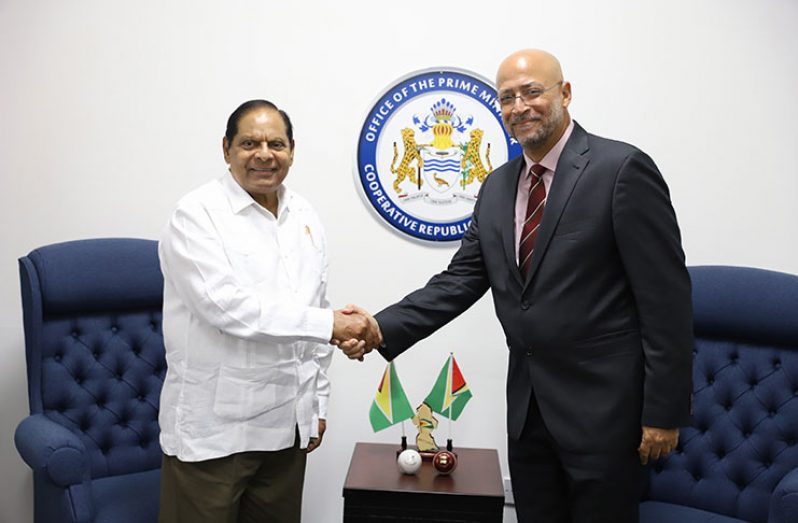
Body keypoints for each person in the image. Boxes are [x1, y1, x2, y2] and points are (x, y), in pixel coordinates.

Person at [340, 50, 694, 523]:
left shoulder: (621, 170)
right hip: (529, 414)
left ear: (564, 94)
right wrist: (379, 328)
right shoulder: (497, 186)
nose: (519, 106)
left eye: (532, 91)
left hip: (606, 416)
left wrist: (663, 412)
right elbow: (460, 280)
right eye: (507, 97)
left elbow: (666, 300)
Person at [157, 99, 372, 523]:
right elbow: (227, 308)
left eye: (276, 143)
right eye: (249, 143)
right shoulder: (196, 215)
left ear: (292, 150)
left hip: (285, 430)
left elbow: (314, 311)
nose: (264, 154)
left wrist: (316, 406)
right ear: (226, 149)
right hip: (214, 436)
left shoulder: (304, 216)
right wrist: (331, 325)